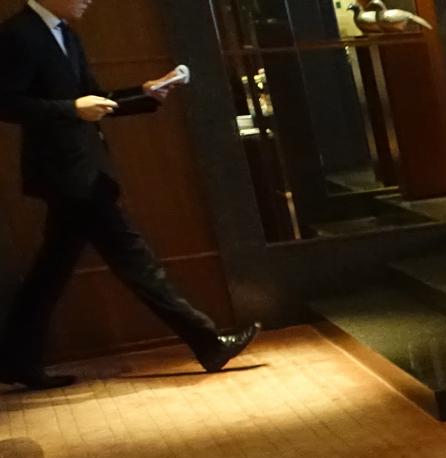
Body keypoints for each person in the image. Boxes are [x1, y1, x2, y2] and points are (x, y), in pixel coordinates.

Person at [0, 0, 258, 391]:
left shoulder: (66, 32)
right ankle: (207, 343)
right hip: (68, 175)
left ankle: (16, 358)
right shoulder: (18, 33)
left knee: (50, 272)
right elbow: (6, 102)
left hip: (83, 172)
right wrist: (70, 108)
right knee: (134, 260)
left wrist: (144, 93)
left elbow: (95, 99)